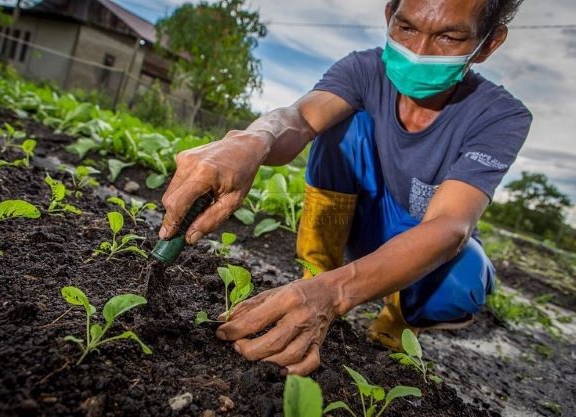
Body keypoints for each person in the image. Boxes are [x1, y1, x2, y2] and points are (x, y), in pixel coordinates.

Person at [158, 0, 532, 376]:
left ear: (487, 44)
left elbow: (451, 225)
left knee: (462, 280)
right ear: (389, 16)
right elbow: (301, 117)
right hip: (361, 219)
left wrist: (336, 294)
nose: (419, 52)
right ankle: (316, 274)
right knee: (341, 124)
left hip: (425, 238)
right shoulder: (365, 70)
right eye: (406, 28)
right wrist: (253, 140)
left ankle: (396, 317)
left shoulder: (500, 115)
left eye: (449, 36)